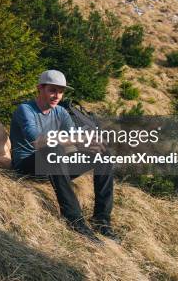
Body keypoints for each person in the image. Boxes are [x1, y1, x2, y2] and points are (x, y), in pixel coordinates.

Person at [9, 70, 117, 243]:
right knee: (53, 148)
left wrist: (91, 142)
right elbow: (39, 142)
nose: (57, 95)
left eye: (60, 91)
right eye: (52, 90)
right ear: (40, 88)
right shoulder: (25, 109)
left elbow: (75, 139)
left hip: (54, 165)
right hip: (27, 165)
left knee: (103, 154)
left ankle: (101, 220)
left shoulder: (61, 112)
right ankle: (74, 220)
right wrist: (75, 139)